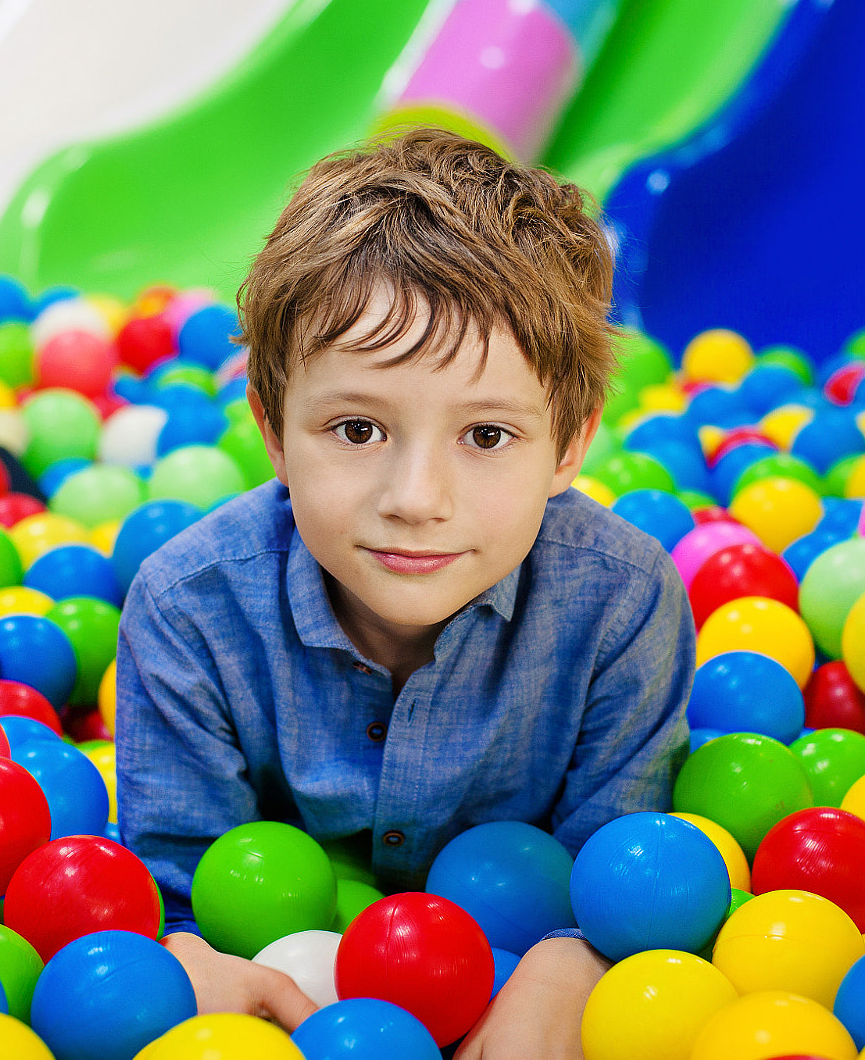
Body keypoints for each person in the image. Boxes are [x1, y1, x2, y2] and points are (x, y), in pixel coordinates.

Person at [117, 127, 694, 1056]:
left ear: (572, 443)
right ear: (272, 428)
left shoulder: (622, 603)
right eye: (355, 428)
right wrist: (188, 961)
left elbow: (619, 877)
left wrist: (570, 961)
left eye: (488, 437)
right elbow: (172, 894)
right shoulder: (190, 607)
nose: (416, 500)